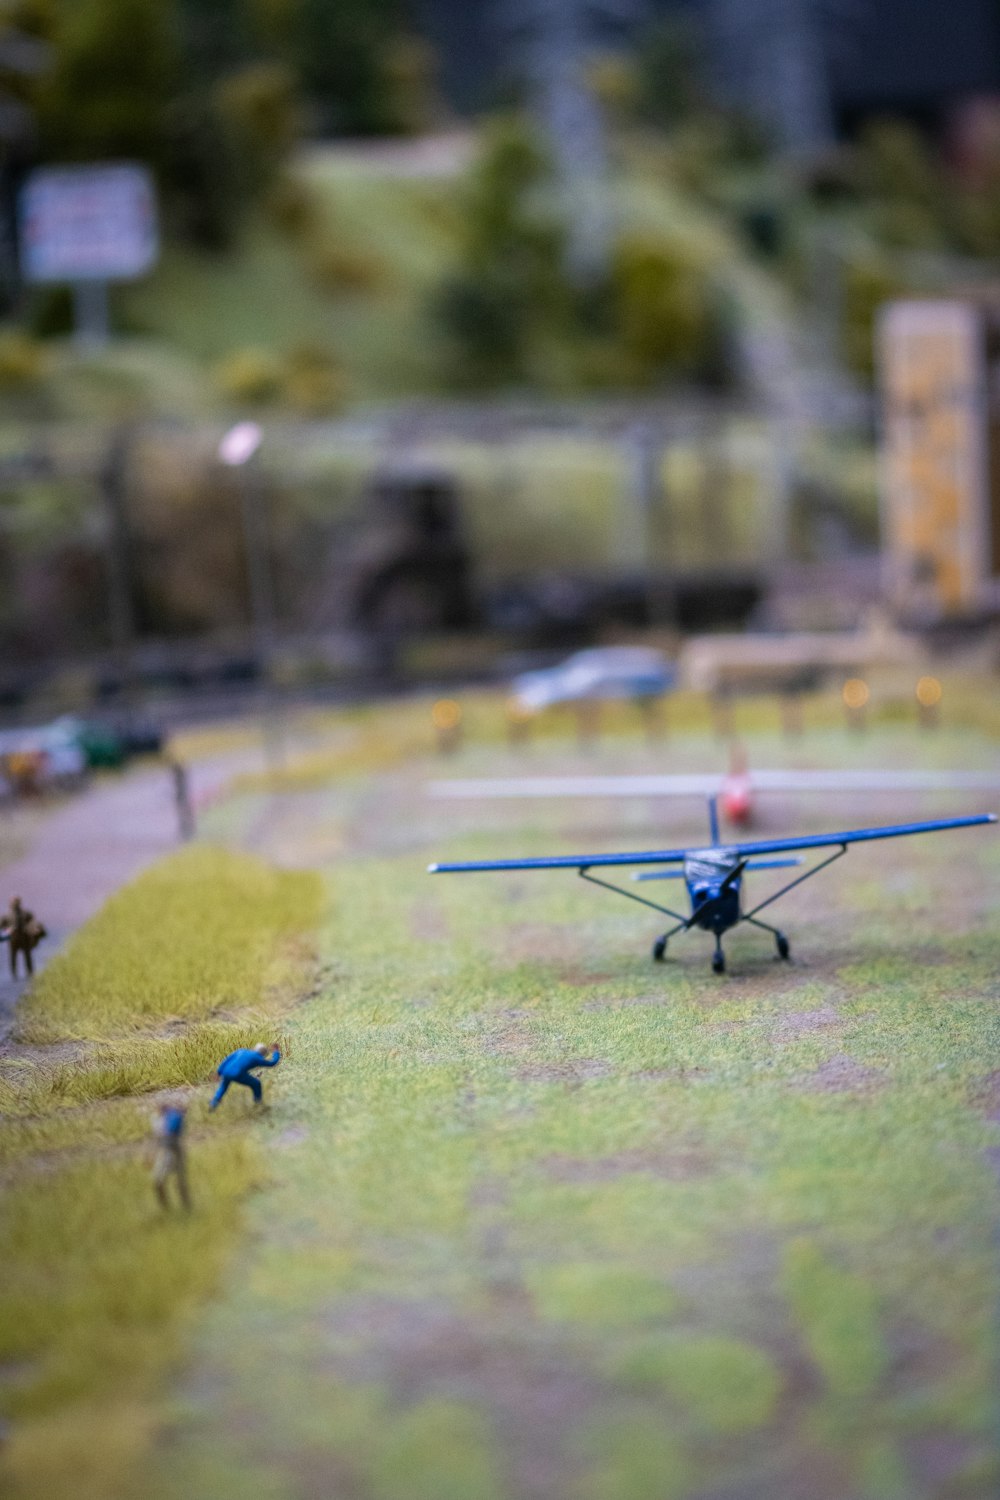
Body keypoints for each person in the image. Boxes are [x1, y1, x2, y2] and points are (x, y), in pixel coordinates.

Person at [209, 1042, 281, 1111]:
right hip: (237, 1074)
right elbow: (272, 1063)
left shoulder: (241, 1051)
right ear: (263, 1054)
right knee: (256, 1083)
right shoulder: (258, 1058)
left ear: (254, 1048)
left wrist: (219, 1072)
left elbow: (226, 1060)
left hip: (226, 1071)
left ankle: (214, 1103)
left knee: (223, 1087)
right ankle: (258, 1103)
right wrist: (276, 1052)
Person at [152, 1101, 190, 1211]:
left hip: (171, 1148)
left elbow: (167, 1134)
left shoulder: (172, 1117)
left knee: (177, 1180)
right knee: (176, 1179)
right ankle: (168, 1208)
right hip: (168, 1149)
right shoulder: (160, 1119)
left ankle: (181, 1206)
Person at [0, 896, 46, 978]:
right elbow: (2, 925)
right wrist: (7, 929)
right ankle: (14, 974)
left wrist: (34, 929)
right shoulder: (7, 915)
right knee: (13, 957)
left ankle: (30, 973)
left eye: (16, 902)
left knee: (27, 955)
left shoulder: (25, 913)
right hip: (13, 939)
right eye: (13, 902)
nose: (15, 904)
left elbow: (33, 922)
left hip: (24, 938)